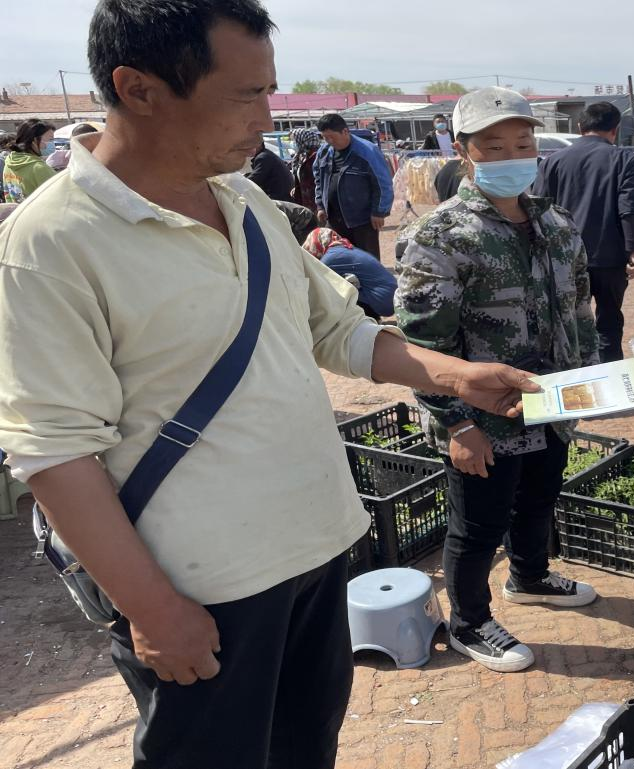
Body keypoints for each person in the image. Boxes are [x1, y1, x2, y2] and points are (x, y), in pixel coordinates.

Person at [0, 3, 537, 767]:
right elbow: (54, 453)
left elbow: (336, 329)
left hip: (316, 549)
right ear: (138, 89)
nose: (267, 119)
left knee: (305, 749)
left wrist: (459, 376)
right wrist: (152, 609)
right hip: (202, 593)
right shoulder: (50, 243)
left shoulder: (244, 200)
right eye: (245, 95)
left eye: (269, 92)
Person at [396, 87, 600, 674]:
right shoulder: (442, 235)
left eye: (522, 143)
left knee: (539, 498)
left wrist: (590, 380)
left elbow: (579, 310)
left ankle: (530, 577)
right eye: (493, 146)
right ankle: (469, 623)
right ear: (464, 152)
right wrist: (456, 425)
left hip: (550, 405)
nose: (512, 155)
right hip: (482, 419)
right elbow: (422, 346)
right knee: (478, 525)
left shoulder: (556, 223)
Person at [534, 102, 634, 362]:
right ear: (615, 129)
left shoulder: (551, 162)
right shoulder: (626, 160)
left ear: (579, 126)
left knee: (567, 320)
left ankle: (574, 373)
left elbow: (538, 208)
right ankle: (610, 374)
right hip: (609, 257)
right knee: (609, 320)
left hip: (564, 257)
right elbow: (630, 208)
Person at [313, 112, 394, 257]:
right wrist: (320, 205)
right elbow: (319, 179)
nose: (329, 141)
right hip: (334, 219)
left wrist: (379, 212)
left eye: (332, 136)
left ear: (345, 131)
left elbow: (383, 183)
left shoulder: (367, 152)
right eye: (325, 137)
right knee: (339, 259)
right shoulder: (324, 152)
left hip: (362, 221)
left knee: (367, 260)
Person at [303, 228, 396, 318]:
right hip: (393, 294)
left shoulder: (330, 258)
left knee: (334, 291)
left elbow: (316, 281)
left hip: (384, 301)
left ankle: (363, 322)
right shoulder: (343, 248)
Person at [1, 118, 56, 203]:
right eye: (50, 140)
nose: (52, 144)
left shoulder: (9, 162)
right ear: (34, 140)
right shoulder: (39, 168)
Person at [289, 126, 322, 211]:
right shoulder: (301, 156)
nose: (293, 143)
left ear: (303, 140)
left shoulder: (317, 156)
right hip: (305, 199)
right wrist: (297, 187)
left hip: (316, 202)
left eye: (294, 140)